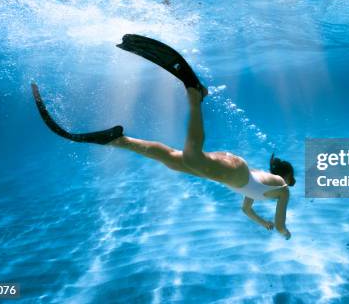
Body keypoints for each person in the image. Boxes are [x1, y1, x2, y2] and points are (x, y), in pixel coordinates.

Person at [31, 34, 295, 239]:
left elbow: (246, 209)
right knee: (192, 156)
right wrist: (283, 231)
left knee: (171, 159)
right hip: (235, 172)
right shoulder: (282, 191)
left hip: (234, 172)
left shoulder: (265, 189)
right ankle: (195, 96)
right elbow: (282, 220)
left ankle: (118, 140)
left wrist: (264, 224)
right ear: (288, 178)